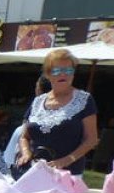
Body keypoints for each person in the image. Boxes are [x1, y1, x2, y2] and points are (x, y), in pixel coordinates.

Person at [16, 48, 99, 176]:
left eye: (68, 70)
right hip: (33, 171)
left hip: (68, 174)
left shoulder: (84, 100)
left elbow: (91, 139)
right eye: (57, 70)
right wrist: (26, 153)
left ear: (73, 74)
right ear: (48, 75)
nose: (63, 74)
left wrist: (66, 160)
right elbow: (24, 137)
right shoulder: (38, 101)